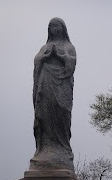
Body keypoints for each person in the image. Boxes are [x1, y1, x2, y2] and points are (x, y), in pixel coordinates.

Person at [29, 17, 76, 172]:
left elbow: (72, 64)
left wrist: (60, 56)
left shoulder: (69, 46)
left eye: (57, 27)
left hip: (61, 89)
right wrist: (45, 57)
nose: (54, 29)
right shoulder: (45, 47)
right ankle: (43, 151)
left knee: (61, 115)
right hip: (45, 85)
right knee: (43, 115)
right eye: (51, 27)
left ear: (63, 29)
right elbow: (37, 60)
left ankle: (62, 150)